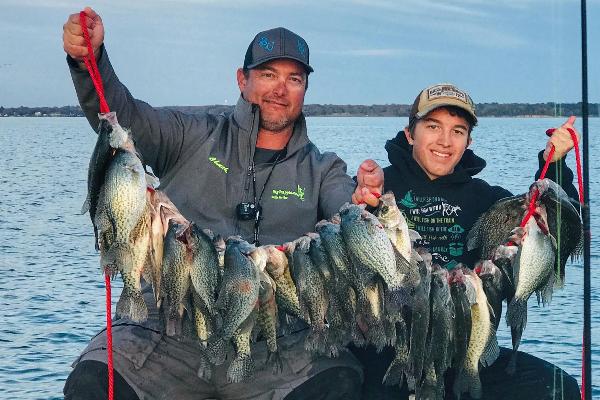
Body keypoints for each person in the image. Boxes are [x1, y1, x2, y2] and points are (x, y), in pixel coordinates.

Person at [62, 7, 383, 400]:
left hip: (276, 336)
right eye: (268, 75)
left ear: (304, 90)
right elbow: (120, 118)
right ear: (242, 79)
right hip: (167, 325)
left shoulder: (323, 168)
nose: (280, 90)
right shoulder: (190, 133)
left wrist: (361, 199)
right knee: (93, 381)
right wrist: (89, 61)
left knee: (339, 383)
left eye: (293, 79)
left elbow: (343, 204)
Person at [352, 83, 581, 399]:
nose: (445, 141)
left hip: (466, 354)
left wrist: (554, 164)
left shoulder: (487, 198)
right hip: (390, 355)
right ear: (409, 133)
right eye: (433, 127)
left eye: (457, 131)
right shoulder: (376, 190)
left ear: (469, 140)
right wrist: (360, 204)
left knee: (560, 389)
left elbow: (556, 227)